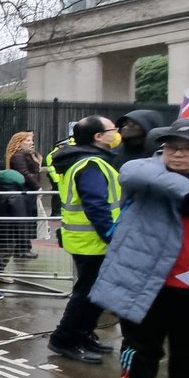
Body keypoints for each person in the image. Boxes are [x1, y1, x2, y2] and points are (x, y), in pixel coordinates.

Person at [90, 119, 189, 378]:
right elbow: (130, 172)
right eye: (171, 147)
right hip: (146, 283)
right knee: (143, 348)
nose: (177, 154)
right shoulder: (148, 172)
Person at [47, 115, 121, 363]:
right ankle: (64, 339)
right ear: (98, 136)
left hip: (88, 241)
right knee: (87, 295)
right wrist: (111, 236)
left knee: (96, 294)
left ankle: (83, 334)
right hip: (94, 242)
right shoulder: (90, 164)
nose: (117, 133)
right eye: (113, 129)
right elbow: (96, 205)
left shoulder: (82, 160)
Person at [4, 131, 42, 259]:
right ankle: (22, 248)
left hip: (27, 191)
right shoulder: (18, 156)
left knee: (27, 219)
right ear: (19, 143)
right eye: (28, 140)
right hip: (25, 192)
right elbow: (25, 174)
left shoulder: (26, 155)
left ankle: (23, 247)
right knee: (24, 219)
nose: (31, 143)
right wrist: (37, 186)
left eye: (31, 140)